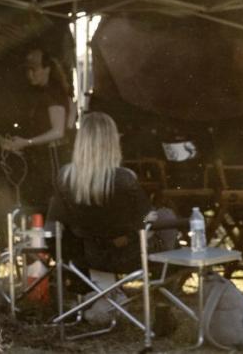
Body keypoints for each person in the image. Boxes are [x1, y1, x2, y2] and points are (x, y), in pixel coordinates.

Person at [48, 112, 177, 310]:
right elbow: (145, 218)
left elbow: (56, 220)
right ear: (111, 141)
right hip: (128, 255)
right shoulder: (125, 178)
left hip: (89, 256)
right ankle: (163, 297)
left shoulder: (66, 177)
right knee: (165, 216)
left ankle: (105, 290)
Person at [0, 46, 74, 210]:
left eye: (34, 70)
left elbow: (58, 130)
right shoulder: (44, 93)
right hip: (46, 157)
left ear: (47, 69)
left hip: (54, 157)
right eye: (28, 70)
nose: (30, 74)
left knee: (51, 202)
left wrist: (27, 142)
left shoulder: (53, 94)